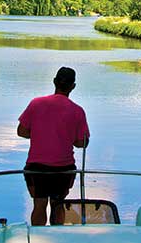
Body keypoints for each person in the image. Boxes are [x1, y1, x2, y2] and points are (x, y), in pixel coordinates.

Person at [17, 67, 90, 225]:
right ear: (73, 86)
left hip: (36, 167)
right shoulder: (78, 111)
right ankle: (56, 236)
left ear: (55, 82)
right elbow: (81, 143)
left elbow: (21, 132)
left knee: (39, 204)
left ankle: (37, 238)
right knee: (57, 205)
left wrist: (40, 133)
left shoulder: (36, 103)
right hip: (63, 168)